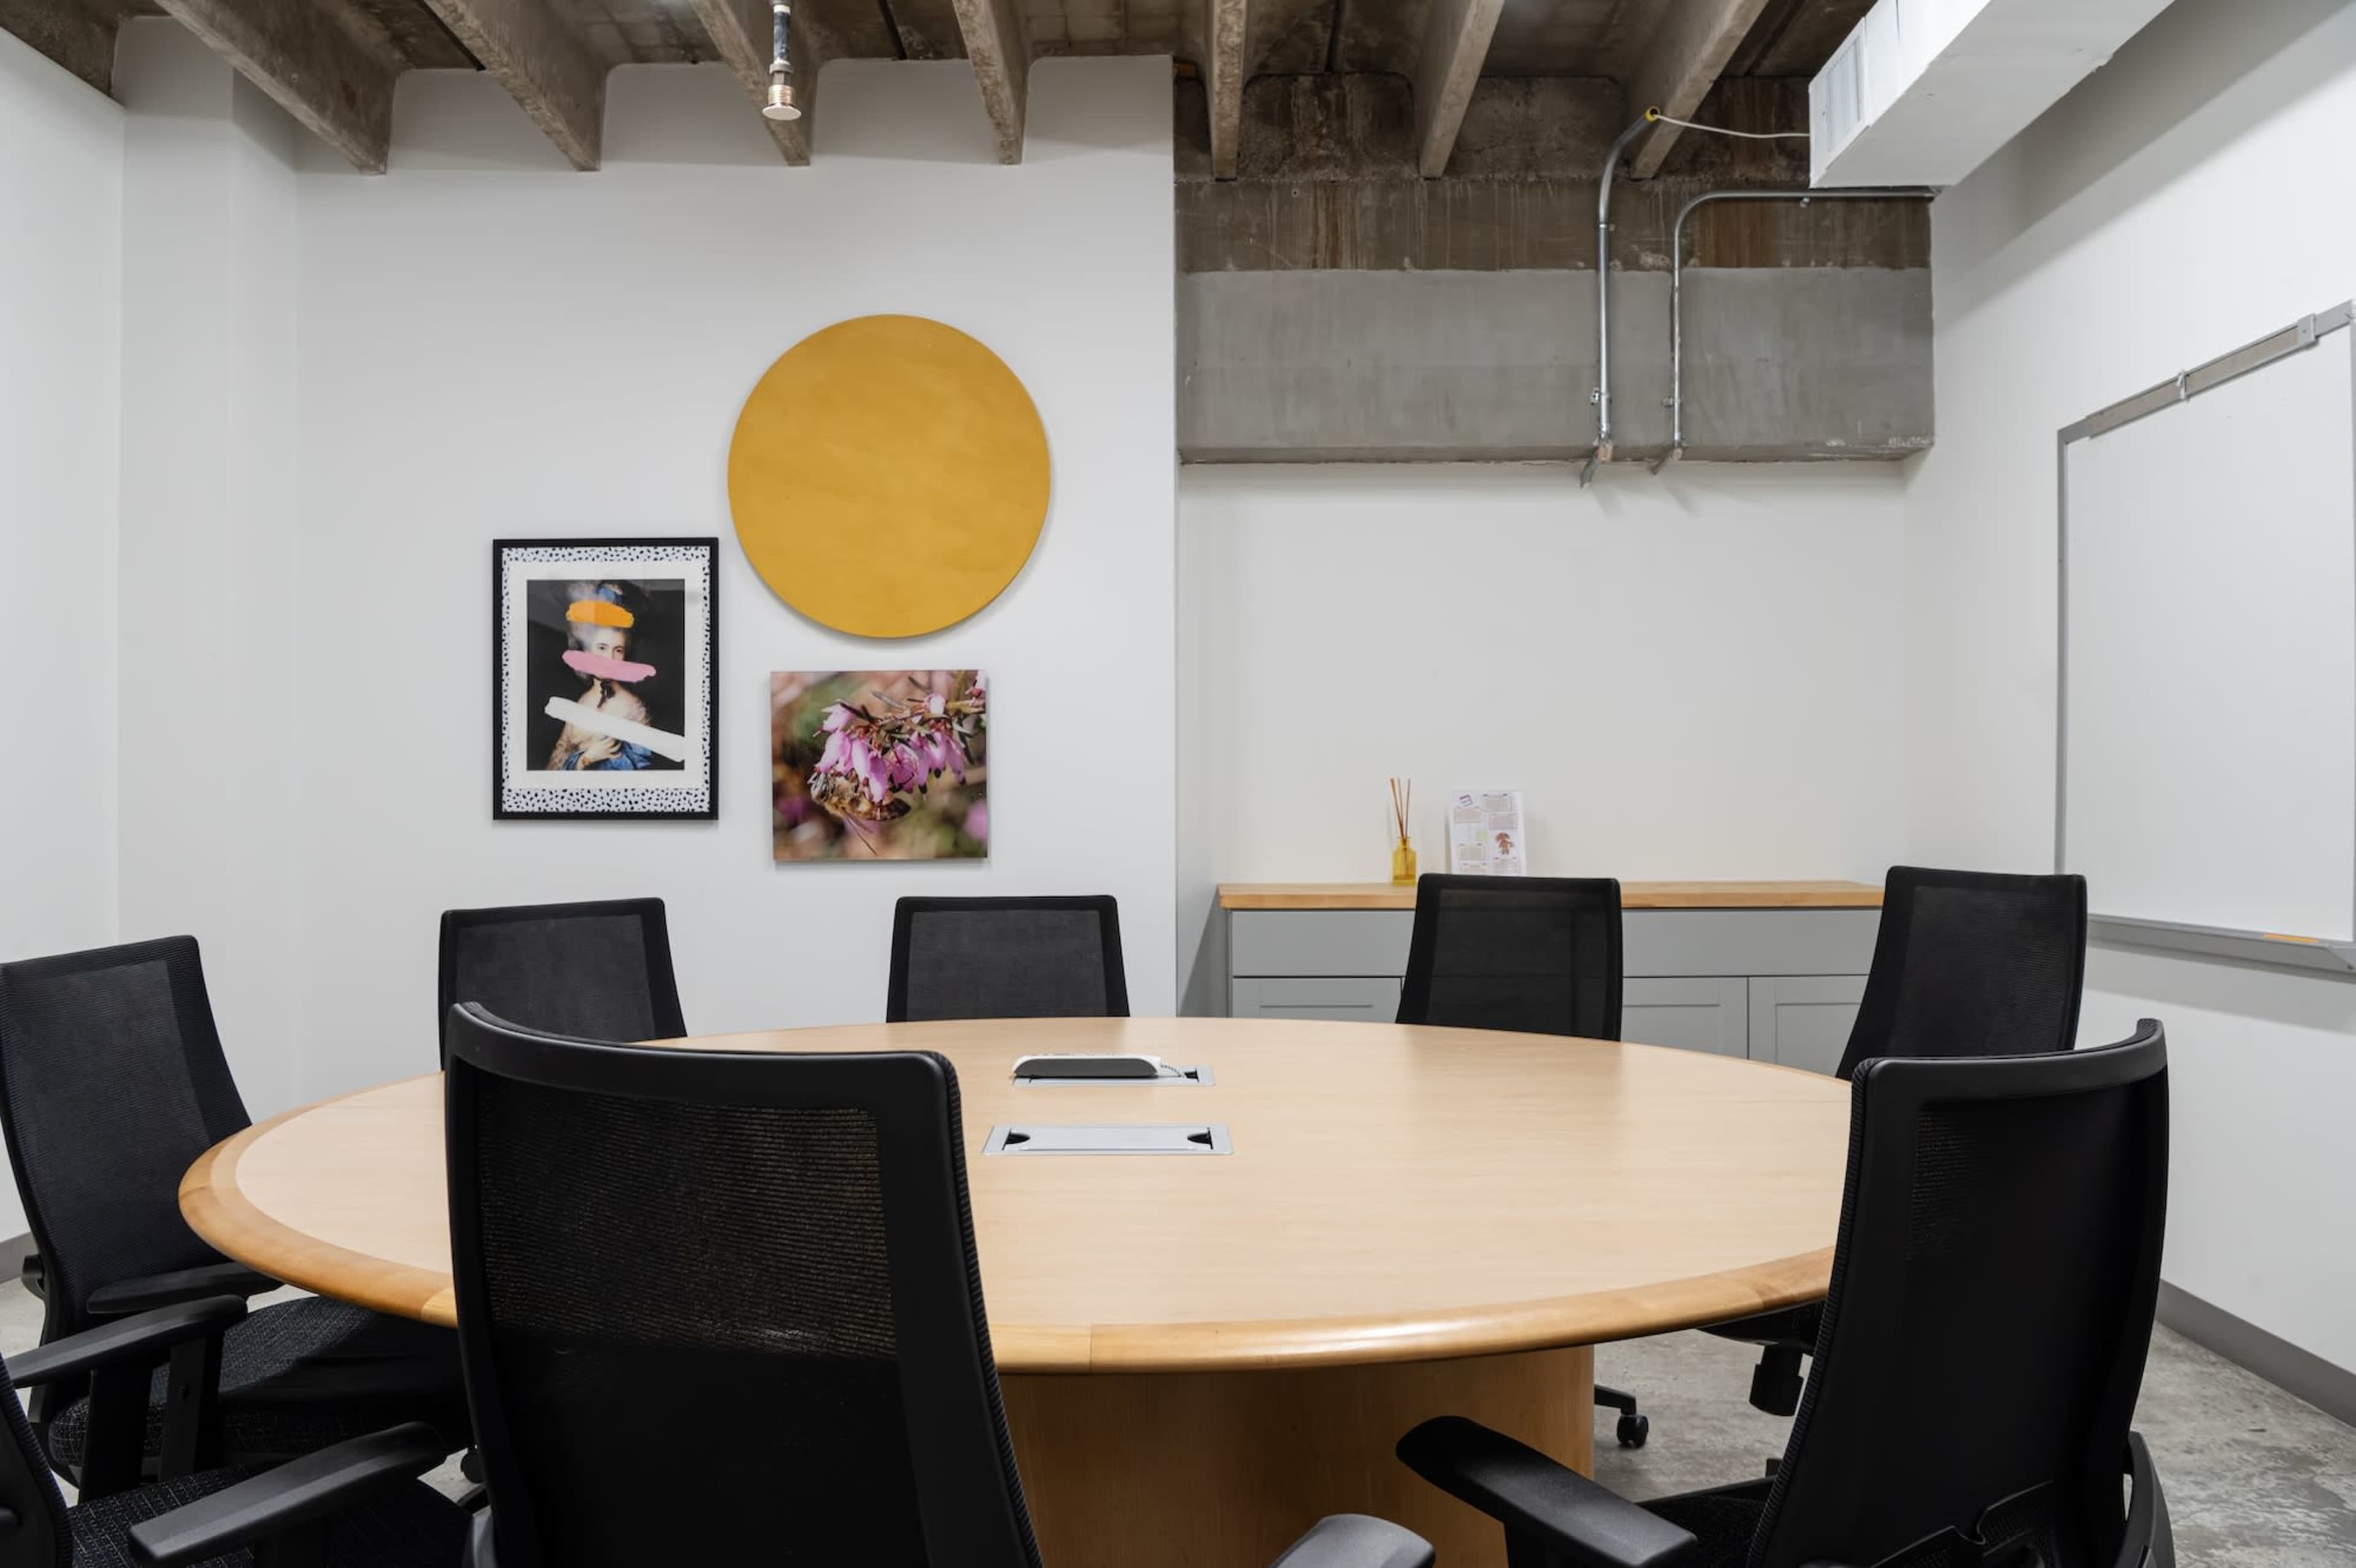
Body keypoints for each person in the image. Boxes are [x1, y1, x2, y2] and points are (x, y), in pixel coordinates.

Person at [546, 582, 657, 771]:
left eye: (618, 650)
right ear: (588, 652)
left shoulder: (634, 708)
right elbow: (556, 765)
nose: (609, 659)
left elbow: (640, 773)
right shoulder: (581, 703)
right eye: (602, 648)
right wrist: (586, 759)